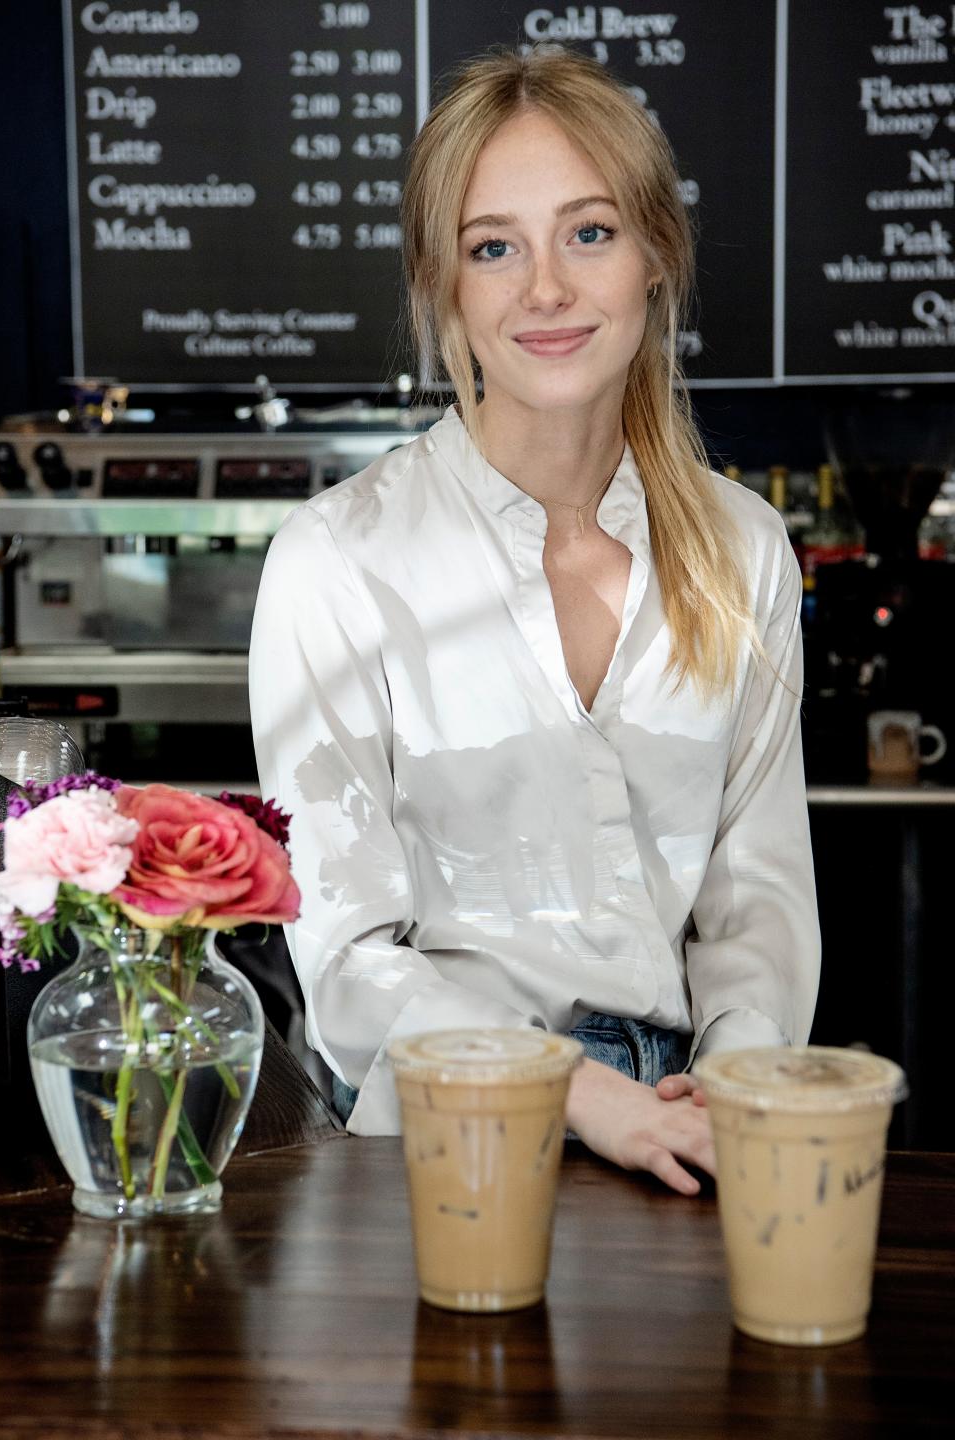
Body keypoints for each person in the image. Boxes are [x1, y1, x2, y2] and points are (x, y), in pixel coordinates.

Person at [249, 47, 820, 1195]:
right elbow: (348, 959)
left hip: (689, 1139)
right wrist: (585, 1097)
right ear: (442, 284)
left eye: (590, 233)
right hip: (443, 1139)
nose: (546, 289)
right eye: (494, 247)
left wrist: (736, 1079)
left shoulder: (743, 546)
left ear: (657, 256)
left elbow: (756, 894)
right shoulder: (339, 558)